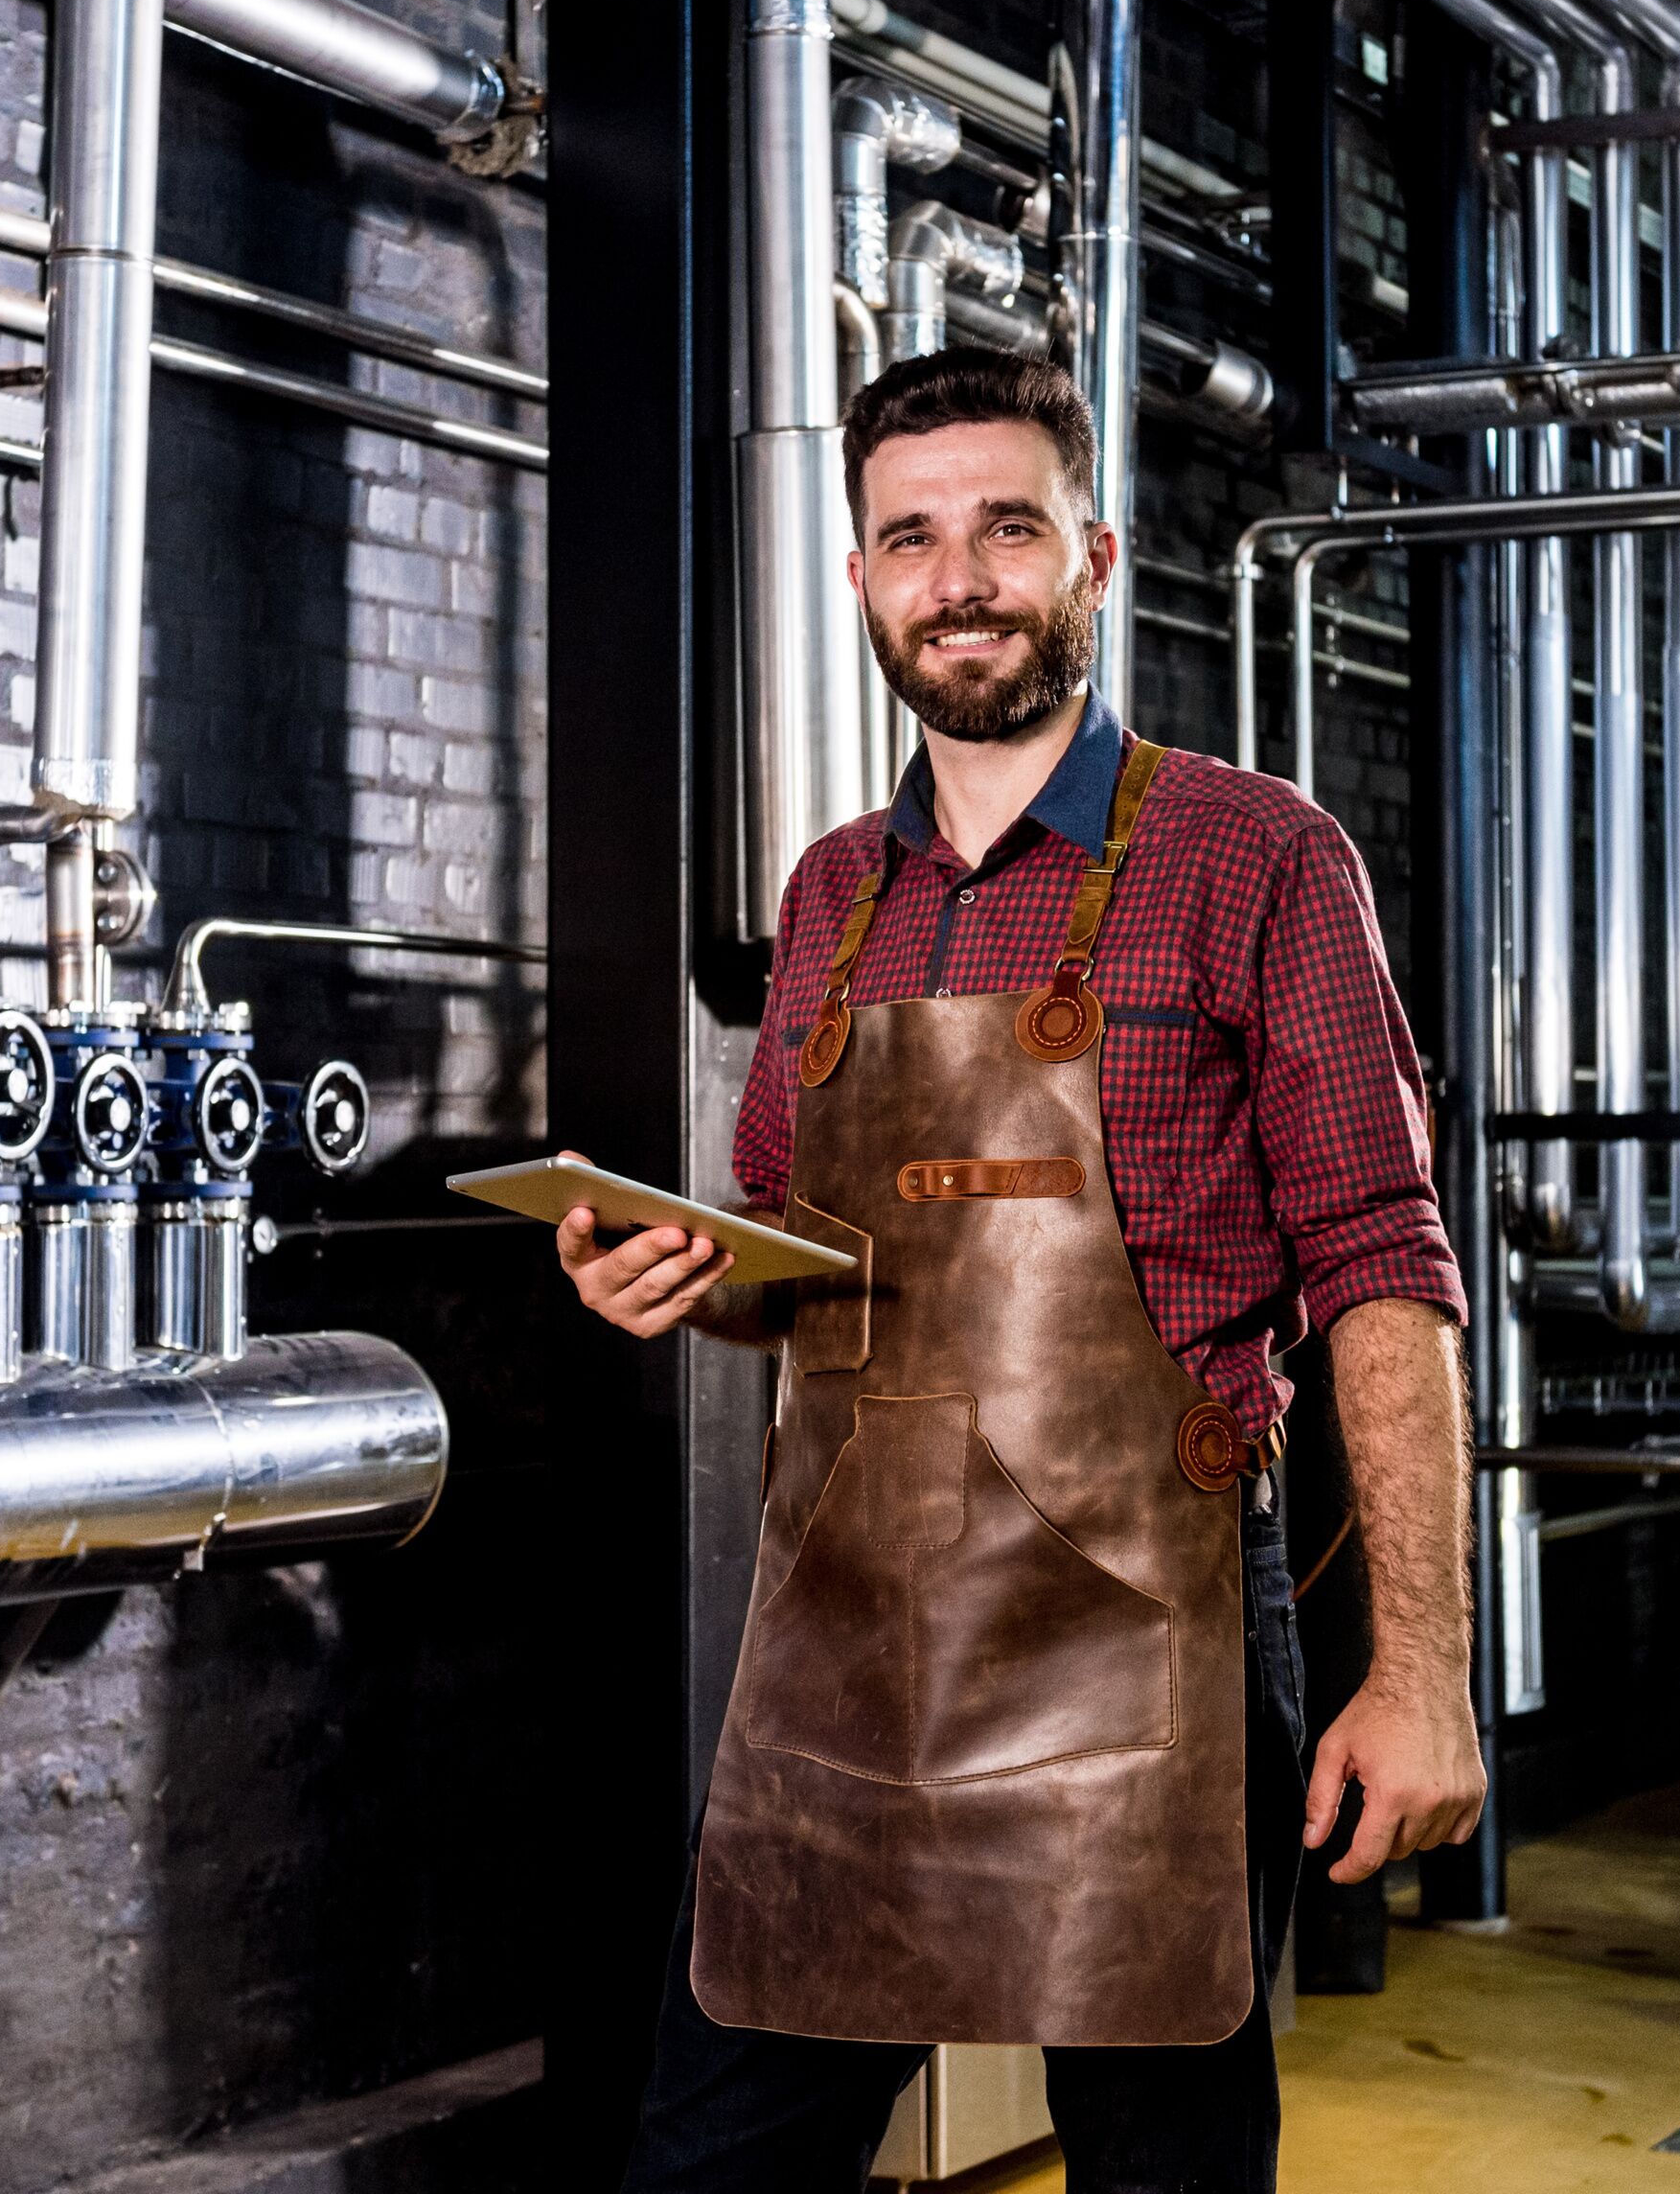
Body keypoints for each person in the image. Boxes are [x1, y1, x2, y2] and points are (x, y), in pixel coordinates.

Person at [554, 348, 1484, 2193]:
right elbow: (798, 1261)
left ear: (1096, 556)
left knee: (1162, 2169)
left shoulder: (1259, 858)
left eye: (1006, 526)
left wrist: (1426, 1667)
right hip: (845, 1653)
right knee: (709, 2165)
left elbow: (1379, 1262)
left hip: (1149, 1642)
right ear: (862, 578)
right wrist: (685, 1279)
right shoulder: (833, 895)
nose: (958, 575)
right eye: (911, 536)